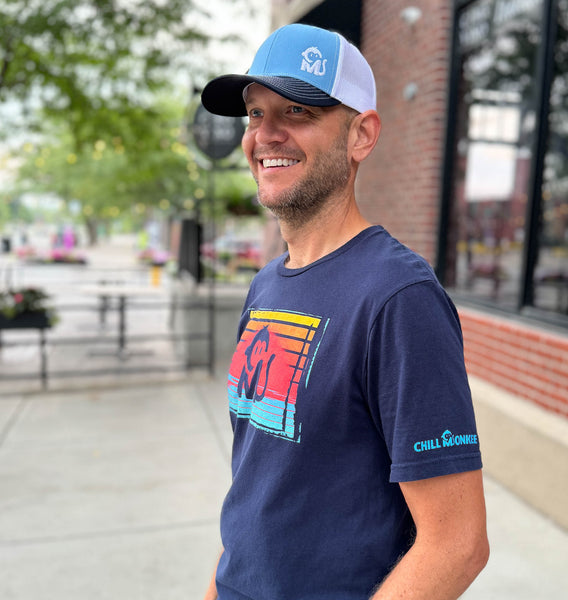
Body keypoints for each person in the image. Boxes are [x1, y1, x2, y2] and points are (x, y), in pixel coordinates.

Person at [201, 23, 489, 600]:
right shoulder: (264, 287)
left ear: (361, 134)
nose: (267, 135)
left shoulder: (399, 298)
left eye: (297, 112)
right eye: (255, 114)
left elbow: (457, 544)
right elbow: (257, 486)